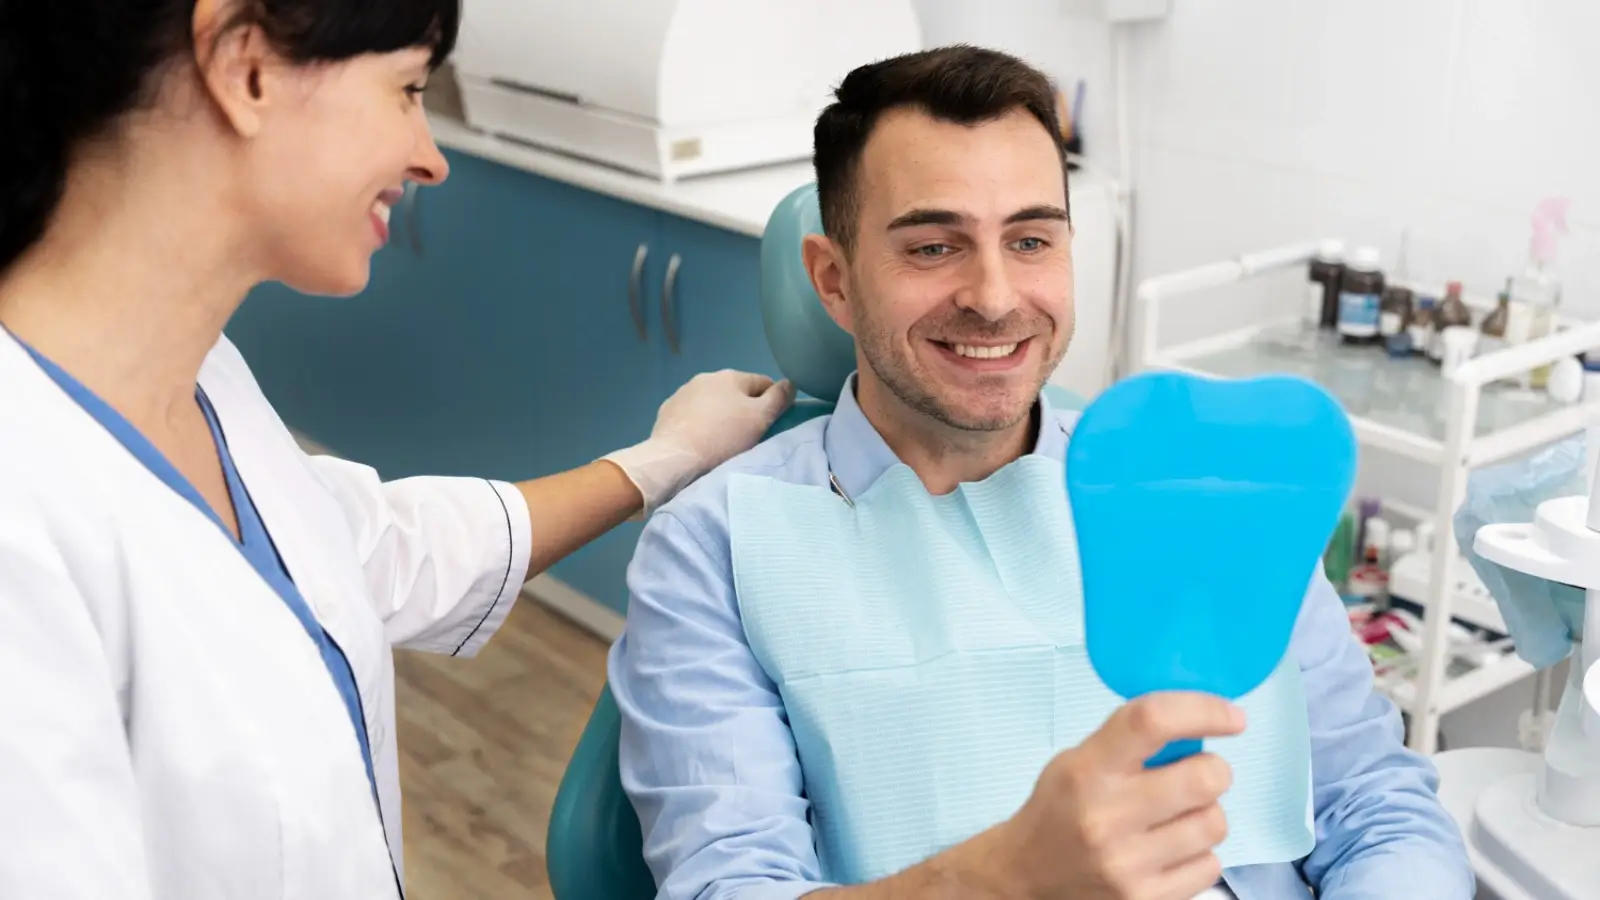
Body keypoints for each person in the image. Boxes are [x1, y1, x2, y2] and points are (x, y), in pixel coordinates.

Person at [608, 45, 1472, 900]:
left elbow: (1377, 804)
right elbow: (728, 888)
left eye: (1029, 239)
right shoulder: (715, 550)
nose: (993, 295)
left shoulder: (1194, 492)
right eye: (933, 248)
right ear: (834, 281)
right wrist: (1004, 878)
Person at [0, 1, 792, 896]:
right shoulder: (22, 523)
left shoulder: (199, 374)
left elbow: (357, 549)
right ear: (245, 65)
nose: (431, 155)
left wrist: (659, 462)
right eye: (408, 89)